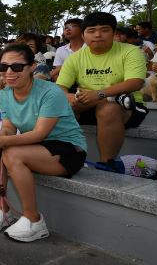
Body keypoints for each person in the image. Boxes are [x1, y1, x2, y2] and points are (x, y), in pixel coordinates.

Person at [0, 44, 87, 242]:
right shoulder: (4, 94)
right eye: (4, 67)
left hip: (68, 148)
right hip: (37, 148)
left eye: (17, 67)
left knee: (12, 153)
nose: (9, 72)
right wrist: (0, 137)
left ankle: (34, 220)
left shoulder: (51, 92)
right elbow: (9, 126)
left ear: (31, 67)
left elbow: (40, 134)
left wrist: (4, 140)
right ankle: (1, 208)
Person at [56, 12, 148, 162]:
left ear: (114, 33)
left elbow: (135, 82)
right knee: (56, 107)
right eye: (91, 31)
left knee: (108, 107)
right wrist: (69, 97)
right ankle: (59, 158)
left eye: (104, 30)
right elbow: (60, 87)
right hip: (86, 103)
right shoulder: (75, 58)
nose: (98, 35)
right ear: (83, 35)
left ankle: (107, 163)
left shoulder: (130, 51)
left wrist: (99, 94)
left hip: (127, 106)